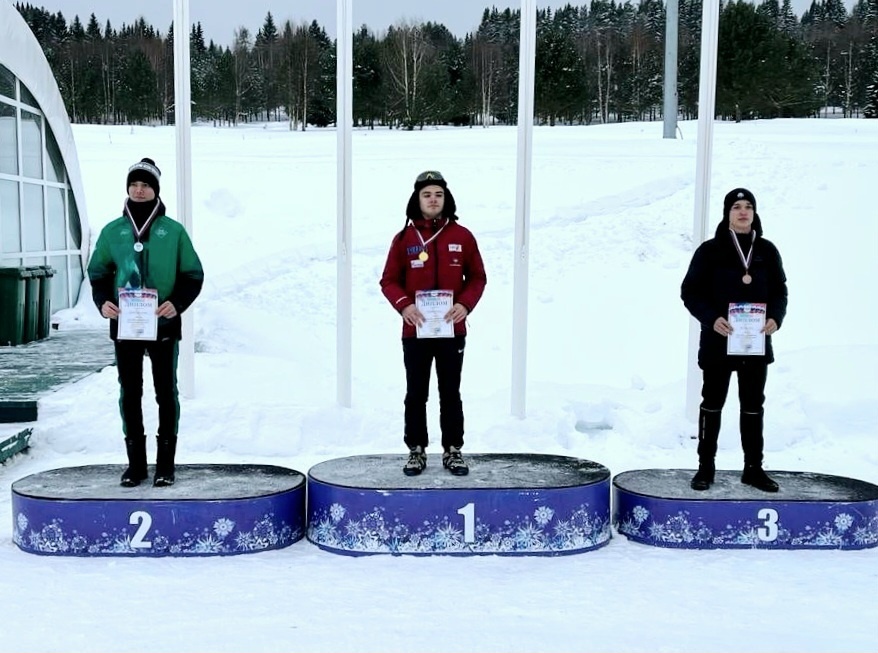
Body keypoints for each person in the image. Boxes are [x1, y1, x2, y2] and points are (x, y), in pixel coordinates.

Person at [88, 158, 204, 488]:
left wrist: (176, 303)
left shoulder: (173, 231)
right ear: (128, 188)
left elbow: (193, 275)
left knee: (166, 393)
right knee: (130, 392)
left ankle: (165, 465)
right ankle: (136, 466)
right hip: (126, 325)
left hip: (163, 325)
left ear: (155, 190)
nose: (139, 190)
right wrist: (102, 302)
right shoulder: (113, 231)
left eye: (146, 185)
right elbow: (98, 273)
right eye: (134, 185)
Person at [380, 171, 487, 477]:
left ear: (446, 199)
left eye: (438, 194)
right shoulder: (403, 239)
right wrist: (405, 306)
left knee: (450, 391)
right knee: (416, 392)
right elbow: (389, 281)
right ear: (417, 199)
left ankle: (453, 449)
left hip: (452, 330)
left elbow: (478, 277)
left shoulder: (462, 236)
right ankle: (416, 449)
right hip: (416, 330)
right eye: (427, 194)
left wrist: (464, 304)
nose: (433, 200)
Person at [681, 188, 788, 492]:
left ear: (754, 213)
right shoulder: (709, 250)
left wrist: (775, 318)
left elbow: (780, 290)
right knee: (712, 404)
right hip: (719, 342)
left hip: (755, 344)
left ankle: (753, 469)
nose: (743, 212)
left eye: (748, 207)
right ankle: (705, 468)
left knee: (753, 406)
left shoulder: (767, 250)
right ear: (727, 213)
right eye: (736, 207)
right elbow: (690, 291)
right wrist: (711, 318)